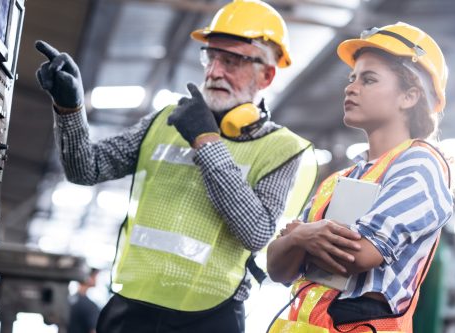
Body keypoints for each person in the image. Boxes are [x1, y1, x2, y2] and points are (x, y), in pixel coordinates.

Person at [35, 1, 317, 332]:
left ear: (267, 75)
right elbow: (86, 168)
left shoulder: (284, 149)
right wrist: (69, 109)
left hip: (211, 317)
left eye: (231, 61)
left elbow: (255, 232)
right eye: (210, 57)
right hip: (132, 309)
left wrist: (205, 140)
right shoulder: (165, 121)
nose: (214, 72)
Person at [266, 22, 455, 333]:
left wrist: (299, 235)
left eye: (368, 79)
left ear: (409, 97)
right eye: (352, 78)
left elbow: (359, 255)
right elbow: (278, 268)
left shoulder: (421, 165)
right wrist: (301, 237)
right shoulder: (341, 178)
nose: (351, 87)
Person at [68, 268, 100, 333]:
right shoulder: (90, 306)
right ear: (88, 278)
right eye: (95, 276)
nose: (96, 279)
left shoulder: (68, 300)